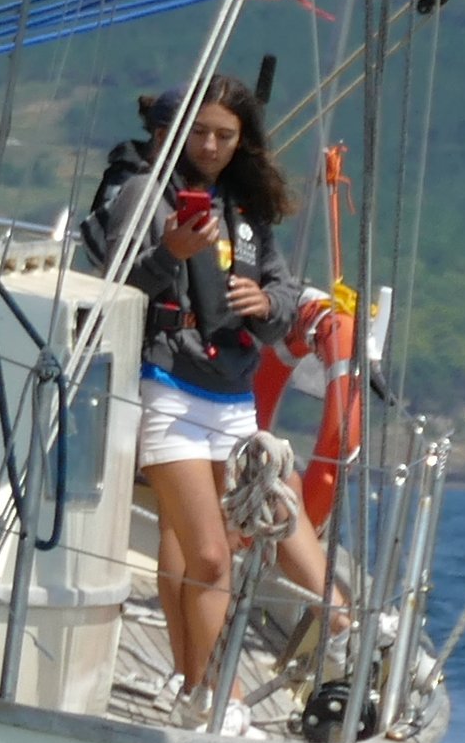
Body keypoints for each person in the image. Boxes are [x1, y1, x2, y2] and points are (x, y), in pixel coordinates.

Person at [93, 75, 324, 705]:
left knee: (244, 532)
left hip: (233, 394)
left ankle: (203, 683)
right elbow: (119, 281)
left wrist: (267, 300)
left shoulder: (244, 208)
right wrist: (171, 251)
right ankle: (214, 689)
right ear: (175, 132)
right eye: (201, 133)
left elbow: (281, 294)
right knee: (210, 557)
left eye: (226, 135)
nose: (213, 146)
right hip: (168, 386)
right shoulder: (146, 192)